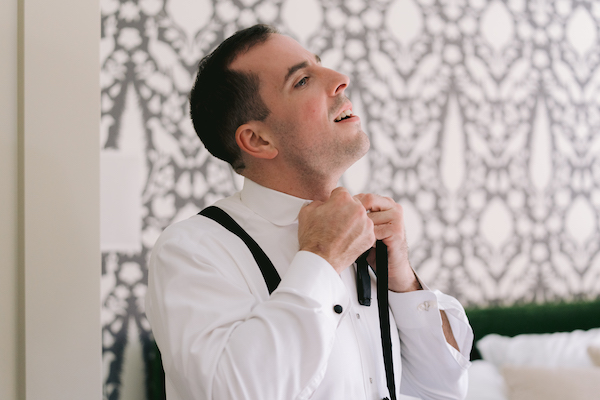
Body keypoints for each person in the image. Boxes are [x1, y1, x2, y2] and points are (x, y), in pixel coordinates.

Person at [145, 24, 472, 400]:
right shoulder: (192, 251)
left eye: (320, 66)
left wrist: (403, 282)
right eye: (302, 81)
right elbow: (232, 391)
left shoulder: (367, 238)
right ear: (258, 140)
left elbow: (444, 388)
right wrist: (321, 257)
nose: (340, 79)